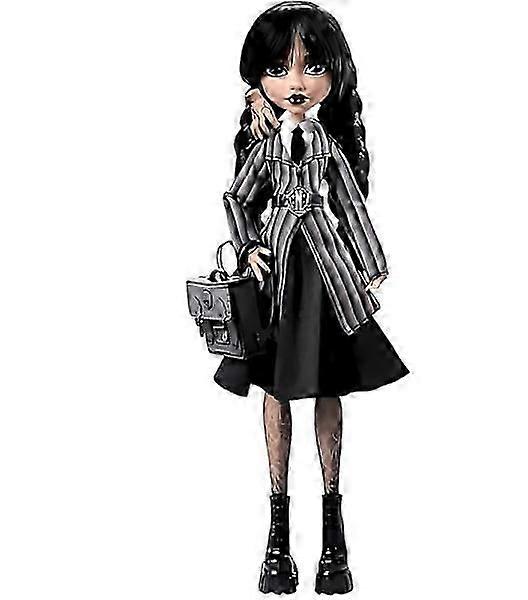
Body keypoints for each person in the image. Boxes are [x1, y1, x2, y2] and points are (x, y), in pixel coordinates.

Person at [212, 2, 409, 593]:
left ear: (333, 74)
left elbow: (350, 203)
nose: (295, 82)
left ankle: (332, 531)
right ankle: (277, 532)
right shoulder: (267, 146)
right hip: (277, 278)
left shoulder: (327, 146)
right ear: (260, 79)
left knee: (328, 385)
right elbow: (237, 197)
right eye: (279, 69)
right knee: (274, 388)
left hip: (326, 274)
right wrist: (249, 248)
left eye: (311, 66)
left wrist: (370, 263)